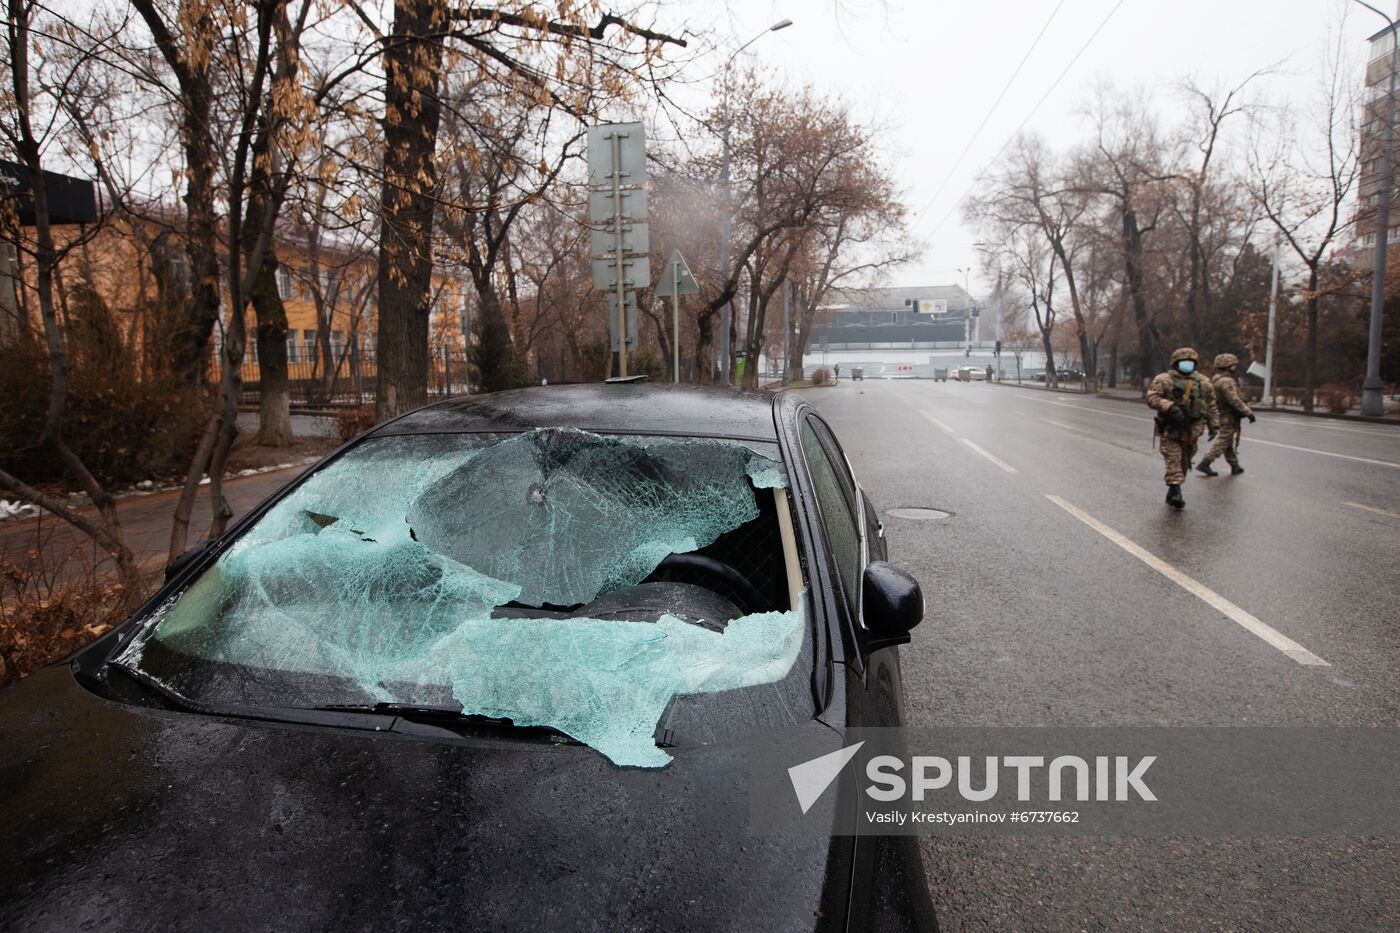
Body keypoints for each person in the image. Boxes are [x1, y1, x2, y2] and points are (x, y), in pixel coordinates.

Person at [1146, 347, 1219, 510]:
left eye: (1191, 362)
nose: (1187, 365)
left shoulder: (1204, 382)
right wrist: (1170, 407)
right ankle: (1175, 490)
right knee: (1173, 458)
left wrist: (1214, 424)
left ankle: (1174, 488)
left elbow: (1211, 404)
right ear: (1176, 363)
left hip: (1193, 430)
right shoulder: (1164, 379)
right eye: (1184, 362)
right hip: (1171, 428)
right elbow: (1152, 397)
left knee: (1185, 460)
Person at [1196, 353, 1255, 477]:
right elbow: (1234, 400)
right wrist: (1248, 412)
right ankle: (1205, 462)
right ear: (1228, 365)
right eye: (1233, 365)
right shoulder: (1226, 381)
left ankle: (1234, 465)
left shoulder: (1217, 379)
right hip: (1226, 415)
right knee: (1224, 440)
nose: (1235, 367)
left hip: (1222, 413)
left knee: (1227, 441)